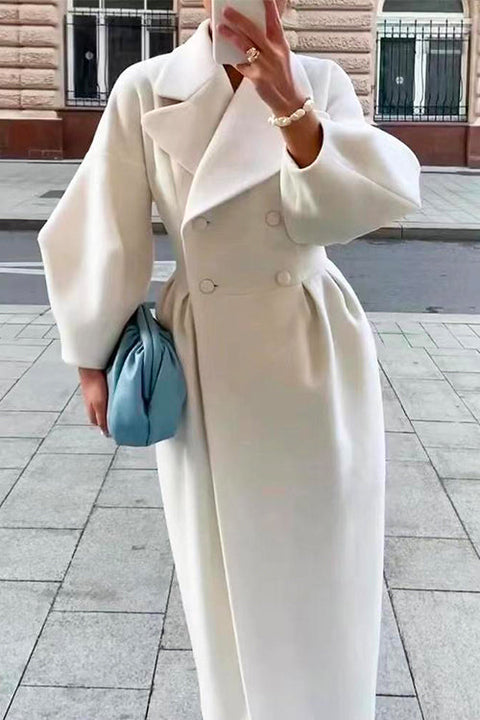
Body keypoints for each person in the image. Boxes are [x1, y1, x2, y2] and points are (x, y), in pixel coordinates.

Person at [37, 0, 422, 718]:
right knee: (218, 567)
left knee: (325, 558)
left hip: (310, 343)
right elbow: (103, 219)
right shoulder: (148, 87)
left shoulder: (319, 79)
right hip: (204, 350)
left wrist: (292, 109)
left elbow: (347, 215)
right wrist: (92, 352)